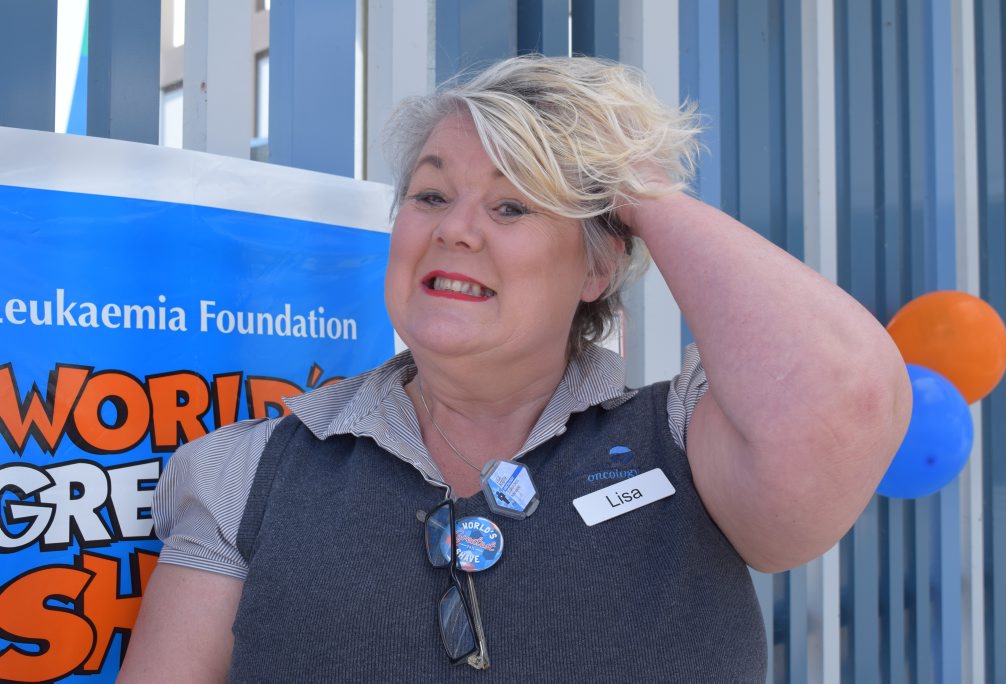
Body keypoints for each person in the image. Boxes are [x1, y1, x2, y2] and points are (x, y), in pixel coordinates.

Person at [119, 55, 911, 682]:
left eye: (512, 205)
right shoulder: (247, 471)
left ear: (599, 265)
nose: (455, 229)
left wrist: (634, 184)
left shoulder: (687, 440)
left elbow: (847, 400)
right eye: (431, 195)